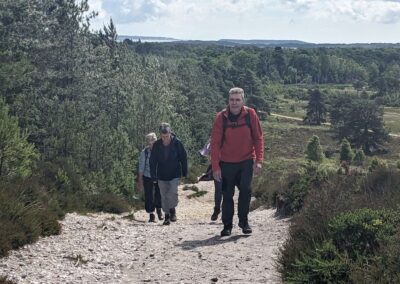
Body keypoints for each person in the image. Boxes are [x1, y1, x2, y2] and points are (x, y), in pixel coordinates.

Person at [210, 87, 264, 236]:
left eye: (237, 100)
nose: (234, 103)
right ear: (228, 101)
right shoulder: (221, 117)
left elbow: (258, 138)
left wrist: (259, 160)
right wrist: (215, 167)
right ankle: (227, 226)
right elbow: (214, 144)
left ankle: (244, 221)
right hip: (226, 162)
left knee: (246, 190)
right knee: (227, 195)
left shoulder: (251, 114)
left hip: (246, 160)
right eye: (232, 100)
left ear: (242, 101)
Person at [150, 123, 188, 225]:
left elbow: (183, 158)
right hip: (161, 174)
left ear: (170, 133)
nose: (165, 139)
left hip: (174, 173)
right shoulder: (157, 145)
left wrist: (184, 172)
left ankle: (172, 210)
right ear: (160, 135)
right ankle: (167, 215)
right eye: (163, 137)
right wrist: (153, 175)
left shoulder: (177, 143)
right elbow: (152, 161)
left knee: (172, 193)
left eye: (166, 136)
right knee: (164, 195)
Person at [138, 132, 163, 222]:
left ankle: (159, 211)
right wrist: (140, 181)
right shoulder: (144, 153)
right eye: (149, 142)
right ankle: (151, 215)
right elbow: (141, 168)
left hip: (159, 176)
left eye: (153, 141)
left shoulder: (161, 150)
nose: (151, 143)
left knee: (159, 195)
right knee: (149, 196)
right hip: (147, 176)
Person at [199, 138, 222, 221]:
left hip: (229, 166)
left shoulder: (231, 136)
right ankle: (217, 209)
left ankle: (225, 212)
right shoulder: (213, 139)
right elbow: (208, 153)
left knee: (227, 191)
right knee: (219, 190)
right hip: (217, 167)